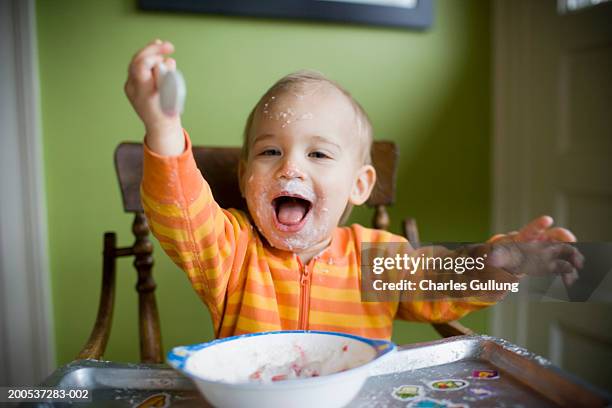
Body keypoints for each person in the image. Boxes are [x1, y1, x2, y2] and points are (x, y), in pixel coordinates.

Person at [124, 39, 582, 340]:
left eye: (318, 155)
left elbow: (443, 278)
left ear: (359, 186)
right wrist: (162, 125)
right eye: (269, 153)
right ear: (245, 178)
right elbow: (182, 211)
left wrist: (504, 261)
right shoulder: (230, 253)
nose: (291, 169)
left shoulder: (375, 261)